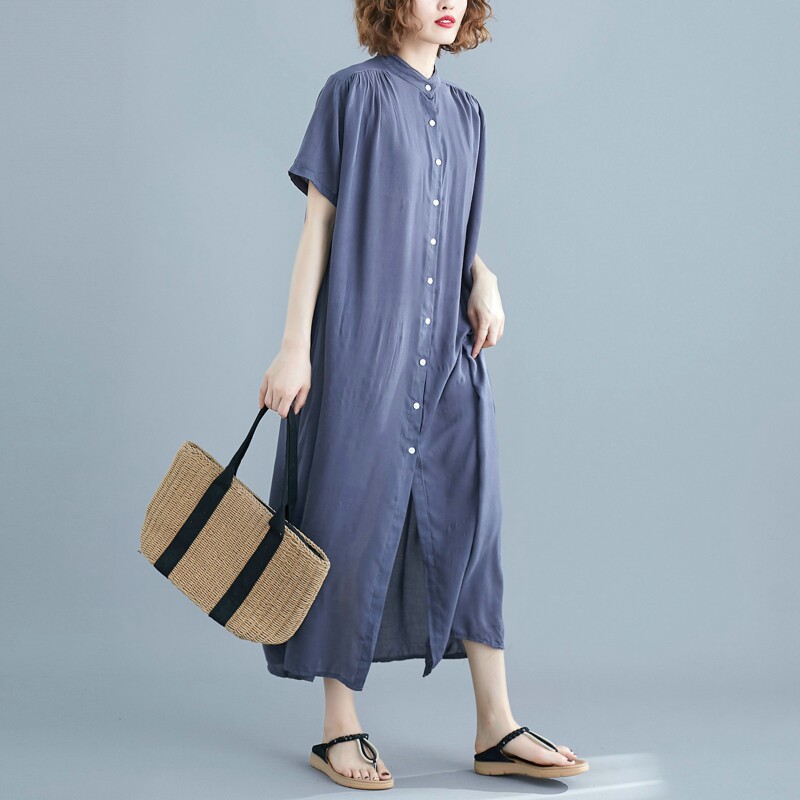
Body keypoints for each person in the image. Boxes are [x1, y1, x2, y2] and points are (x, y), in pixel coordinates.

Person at [258, 0, 589, 790]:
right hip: (362, 347)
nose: (446, 2)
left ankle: (496, 726)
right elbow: (318, 226)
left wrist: (484, 275)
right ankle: (339, 726)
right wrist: (295, 347)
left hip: (445, 353)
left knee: (474, 515)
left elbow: (447, 227)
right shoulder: (352, 94)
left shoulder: (469, 114)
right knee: (345, 516)